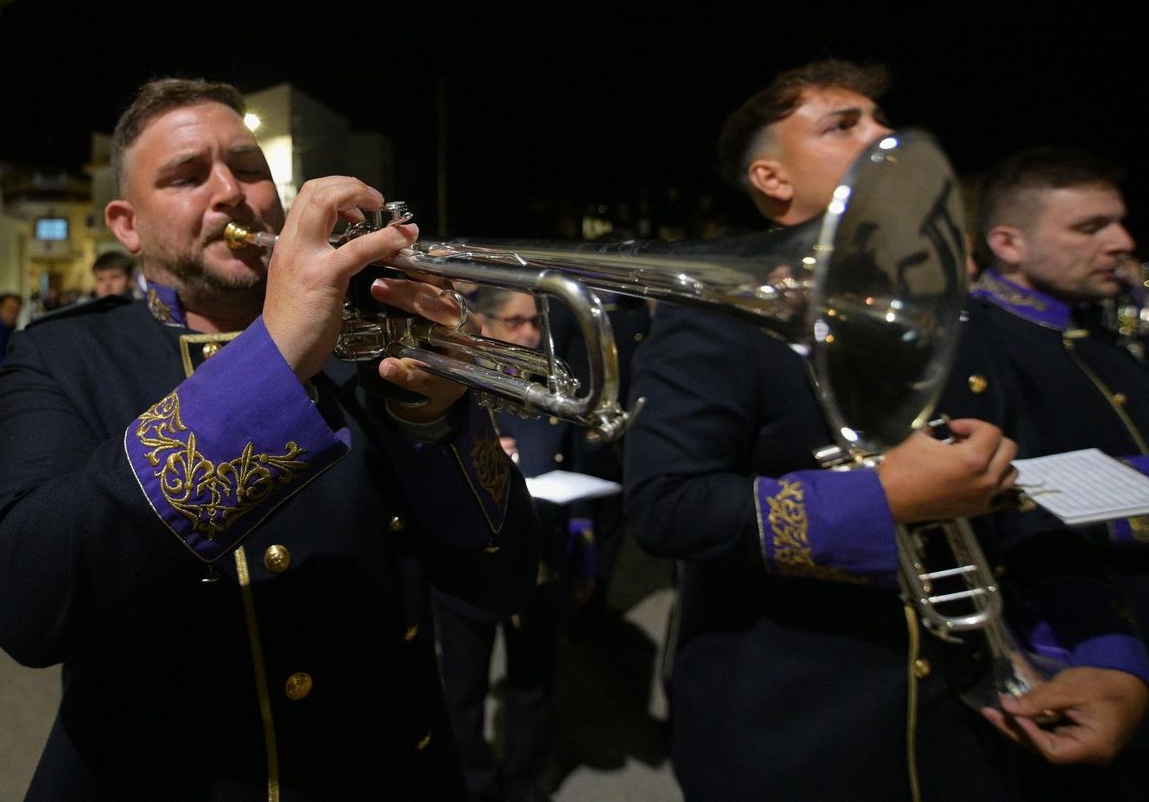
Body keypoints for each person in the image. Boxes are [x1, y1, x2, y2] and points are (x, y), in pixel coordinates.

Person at [0, 77, 539, 801]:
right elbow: (25, 600)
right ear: (127, 224)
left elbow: (502, 578)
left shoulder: (358, 339)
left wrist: (439, 417)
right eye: (185, 175)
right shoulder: (63, 356)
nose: (231, 191)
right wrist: (271, 359)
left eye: (249, 167)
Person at [623, 59, 1148, 801]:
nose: (883, 134)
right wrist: (881, 498)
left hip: (975, 731)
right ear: (773, 179)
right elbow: (668, 506)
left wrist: (1112, 655)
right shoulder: (716, 312)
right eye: (843, 124)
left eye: (880, 119)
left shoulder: (961, 319)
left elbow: (1027, 506)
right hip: (795, 738)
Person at [967, 146, 1149, 799]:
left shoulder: (1098, 339)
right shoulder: (974, 344)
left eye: (1120, 222)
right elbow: (997, 509)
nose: (1122, 242)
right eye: (1089, 226)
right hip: (1077, 658)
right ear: (1007, 242)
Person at [435, 287, 595, 802]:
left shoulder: (553, 383)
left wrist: (583, 560)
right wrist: (479, 455)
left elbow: (581, 479)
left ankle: (522, 783)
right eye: (516, 322)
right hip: (469, 570)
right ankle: (474, 784)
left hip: (542, 563)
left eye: (535, 323)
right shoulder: (454, 382)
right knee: (462, 694)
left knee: (533, 687)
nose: (530, 334)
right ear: (483, 322)